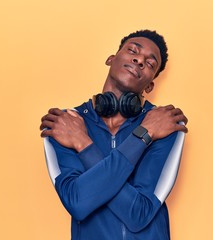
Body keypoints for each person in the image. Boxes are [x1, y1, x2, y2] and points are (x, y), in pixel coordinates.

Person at [40, 29, 188, 240]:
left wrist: (83, 144)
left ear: (150, 85)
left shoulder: (164, 122)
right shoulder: (65, 123)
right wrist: (144, 137)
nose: (139, 60)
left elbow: (139, 213)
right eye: (132, 51)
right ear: (111, 59)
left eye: (150, 63)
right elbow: (78, 203)